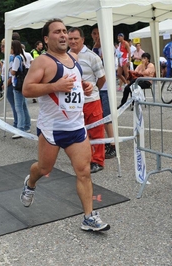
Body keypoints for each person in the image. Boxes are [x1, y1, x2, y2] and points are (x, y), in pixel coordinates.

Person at [21, 18, 110, 232]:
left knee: (83, 171)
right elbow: (27, 89)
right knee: (44, 168)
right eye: (57, 32)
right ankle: (30, 183)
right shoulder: (42, 62)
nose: (63, 35)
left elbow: (74, 83)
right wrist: (55, 86)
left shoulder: (74, 57)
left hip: (76, 127)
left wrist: (85, 86)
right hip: (52, 128)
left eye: (64, 31)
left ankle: (88, 217)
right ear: (46, 38)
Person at [68, 27, 106, 173]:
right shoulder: (66, 56)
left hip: (91, 101)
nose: (72, 41)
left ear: (82, 40)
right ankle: (85, 158)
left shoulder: (92, 57)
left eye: (76, 38)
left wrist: (94, 89)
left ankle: (98, 161)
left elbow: (102, 78)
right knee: (79, 132)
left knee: (96, 132)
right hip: (74, 103)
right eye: (70, 39)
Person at [91, 25, 116, 159]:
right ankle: (108, 141)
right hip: (99, 86)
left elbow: (100, 64)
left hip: (106, 86)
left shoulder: (108, 47)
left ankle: (113, 144)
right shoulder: (95, 48)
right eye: (94, 34)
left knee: (107, 117)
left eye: (98, 33)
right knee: (102, 117)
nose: (96, 36)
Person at [10, 40, 31, 139]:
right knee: (23, 106)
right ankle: (27, 125)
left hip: (18, 84)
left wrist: (9, 69)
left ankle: (20, 128)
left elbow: (13, 72)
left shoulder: (17, 58)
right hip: (23, 82)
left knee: (19, 107)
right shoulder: (23, 56)